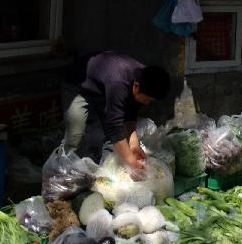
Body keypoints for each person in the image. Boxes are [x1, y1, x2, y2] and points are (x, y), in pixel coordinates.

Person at [62, 51, 171, 179]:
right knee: (76, 134)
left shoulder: (145, 79)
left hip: (102, 88)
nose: (147, 103)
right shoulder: (119, 82)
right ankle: (62, 174)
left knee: (98, 136)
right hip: (77, 84)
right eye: (147, 99)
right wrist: (131, 161)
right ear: (136, 86)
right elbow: (113, 126)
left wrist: (134, 145)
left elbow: (130, 115)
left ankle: (91, 174)